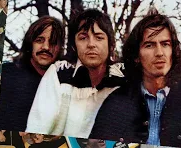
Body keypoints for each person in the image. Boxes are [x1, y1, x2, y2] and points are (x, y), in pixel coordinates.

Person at [25, 8, 125, 138]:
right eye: (83, 38)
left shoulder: (123, 78)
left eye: (99, 37)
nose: (91, 44)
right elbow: (37, 128)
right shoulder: (59, 73)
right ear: (74, 46)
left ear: (111, 45)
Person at [121, 9, 181, 147]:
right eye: (149, 45)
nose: (159, 53)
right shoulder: (118, 101)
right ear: (136, 56)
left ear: (173, 51)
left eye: (165, 44)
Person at [0, 16, 66, 147]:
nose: (46, 47)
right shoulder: (5, 74)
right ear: (30, 43)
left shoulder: (64, 85)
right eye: (40, 40)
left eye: (53, 42)